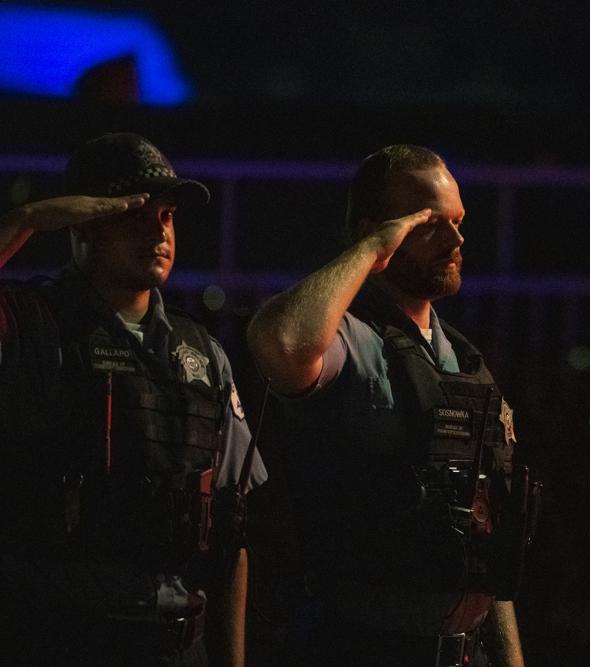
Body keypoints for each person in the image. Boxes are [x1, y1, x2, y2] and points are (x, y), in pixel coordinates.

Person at [0, 132, 266, 666]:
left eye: (166, 215)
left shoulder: (202, 353)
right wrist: (23, 222)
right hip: (55, 640)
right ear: (81, 219)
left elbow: (231, 533)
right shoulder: (26, 322)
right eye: (134, 211)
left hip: (179, 646)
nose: (158, 229)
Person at [246, 144, 530, 667]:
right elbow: (280, 341)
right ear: (375, 231)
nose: (456, 239)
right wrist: (374, 247)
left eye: (459, 221)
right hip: (364, 644)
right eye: (429, 225)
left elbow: (488, 540)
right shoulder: (350, 341)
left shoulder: (464, 361)